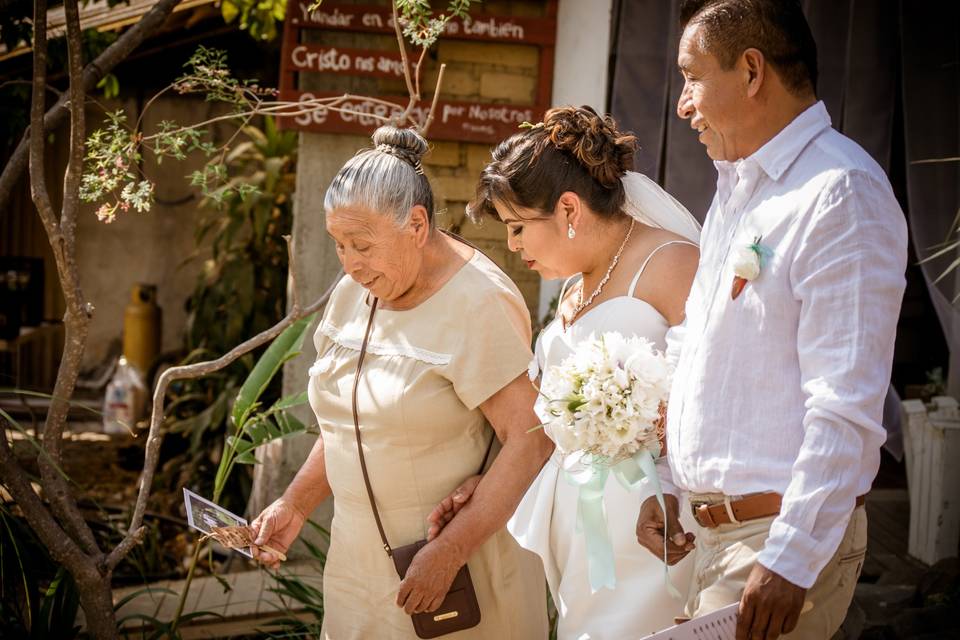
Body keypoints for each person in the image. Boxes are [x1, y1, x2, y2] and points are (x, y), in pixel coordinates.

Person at [634, 2, 908, 639]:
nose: (682, 104)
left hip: (775, 542)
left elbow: (846, 403)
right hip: (717, 540)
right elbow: (702, 355)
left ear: (752, 70)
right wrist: (675, 490)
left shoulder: (839, 192)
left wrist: (791, 558)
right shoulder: (740, 187)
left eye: (692, 77)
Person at [250, 125, 553, 639]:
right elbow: (351, 421)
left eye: (361, 245)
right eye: (339, 244)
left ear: (416, 224)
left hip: (455, 573)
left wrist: (451, 549)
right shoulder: (354, 291)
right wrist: (296, 503)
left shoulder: (478, 302)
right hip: (358, 568)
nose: (349, 264)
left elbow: (530, 442)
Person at [429, 105, 702, 639]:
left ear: (569, 210)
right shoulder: (575, 288)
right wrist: (487, 483)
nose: (512, 247)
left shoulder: (671, 263)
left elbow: (711, 392)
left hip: (653, 524)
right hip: (583, 533)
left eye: (517, 228)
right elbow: (552, 425)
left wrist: (662, 469)